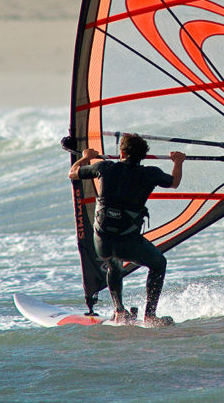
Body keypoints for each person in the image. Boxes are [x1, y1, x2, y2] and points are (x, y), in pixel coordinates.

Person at [68, 133, 186, 327]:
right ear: (143, 156)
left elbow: (73, 173)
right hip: (128, 243)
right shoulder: (150, 173)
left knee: (113, 265)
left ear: (121, 152)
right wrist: (178, 161)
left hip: (102, 243)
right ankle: (150, 315)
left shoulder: (104, 167)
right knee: (159, 264)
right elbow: (174, 182)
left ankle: (119, 311)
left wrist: (86, 157)